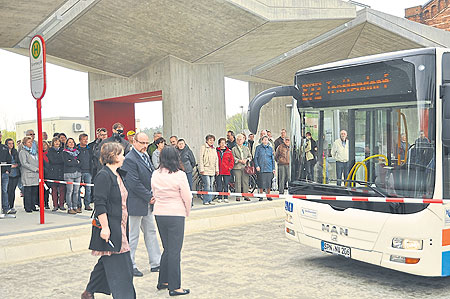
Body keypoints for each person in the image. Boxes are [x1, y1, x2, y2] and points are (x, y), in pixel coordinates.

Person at [82, 142, 136, 299]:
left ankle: (89, 291)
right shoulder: (103, 176)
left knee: (107, 261)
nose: (124, 156)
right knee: (123, 269)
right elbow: (100, 204)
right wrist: (105, 228)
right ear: (113, 156)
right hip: (112, 228)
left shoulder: (118, 174)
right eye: (121, 153)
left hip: (121, 226)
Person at [151, 146, 192, 296]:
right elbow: (187, 196)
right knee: (175, 251)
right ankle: (175, 286)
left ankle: (163, 281)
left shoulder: (155, 174)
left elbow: (154, 192)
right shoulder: (180, 174)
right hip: (175, 213)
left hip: (160, 213)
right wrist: (187, 211)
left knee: (167, 249)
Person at [121, 132, 161, 277]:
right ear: (134, 142)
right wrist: (148, 196)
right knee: (133, 236)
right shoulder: (130, 159)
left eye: (146, 143)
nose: (145, 146)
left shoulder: (145, 156)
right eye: (142, 143)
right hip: (135, 203)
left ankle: (156, 262)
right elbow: (132, 182)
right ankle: (129, 265)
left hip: (147, 204)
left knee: (151, 232)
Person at [19, 136, 39, 213]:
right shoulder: (22, 152)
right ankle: (27, 207)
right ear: (24, 143)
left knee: (34, 190)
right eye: (28, 142)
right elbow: (24, 163)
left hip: (35, 174)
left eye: (31, 142)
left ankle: (33, 205)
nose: (30, 144)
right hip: (28, 174)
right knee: (28, 191)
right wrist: (35, 168)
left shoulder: (34, 152)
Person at [63, 137, 82, 214]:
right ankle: (70, 207)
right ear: (67, 144)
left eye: (72, 142)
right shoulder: (64, 152)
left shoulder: (77, 152)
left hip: (78, 173)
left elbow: (81, 162)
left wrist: (74, 162)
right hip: (69, 173)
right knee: (69, 191)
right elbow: (67, 163)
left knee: (76, 191)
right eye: (69, 142)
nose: (71, 144)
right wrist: (75, 162)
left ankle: (75, 206)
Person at [199, 134, 219, 205]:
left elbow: (216, 159)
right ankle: (206, 200)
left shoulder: (214, 148)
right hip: (205, 169)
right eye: (210, 140)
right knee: (207, 185)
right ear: (207, 140)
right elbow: (201, 158)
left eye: (213, 140)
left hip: (212, 169)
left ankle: (210, 200)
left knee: (211, 185)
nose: (211, 141)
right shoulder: (203, 147)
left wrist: (217, 170)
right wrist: (202, 169)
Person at [232, 134, 252, 201]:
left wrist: (246, 160)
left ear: (243, 140)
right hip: (237, 167)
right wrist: (239, 160)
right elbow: (233, 158)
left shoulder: (246, 148)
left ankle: (246, 195)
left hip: (245, 167)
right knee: (237, 182)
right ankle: (238, 196)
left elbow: (250, 156)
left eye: (241, 139)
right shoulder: (234, 149)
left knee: (245, 181)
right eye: (238, 139)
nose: (239, 141)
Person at [48, 137, 66, 211]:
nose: (57, 143)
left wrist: (59, 160)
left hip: (61, 171)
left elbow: (63, 159)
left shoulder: (63, 151)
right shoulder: (50, 151)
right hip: (53, 172)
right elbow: (52, 160)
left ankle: (61, 204)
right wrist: (59, 160)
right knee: (54, 190)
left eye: (58, 142)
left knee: (62, 189)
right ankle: (55, 205)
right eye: (55, 142)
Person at [216, 138, 234, 203]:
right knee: (219, 184)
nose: (223, 144)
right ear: (219, 144)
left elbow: (232, 160)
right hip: (219, 170)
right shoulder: (216, 151)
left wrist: (229, 167)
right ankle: (219, 197)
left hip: (226, 171)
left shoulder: (229, 151)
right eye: (221, 143)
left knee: (226, 184)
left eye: (224, 142)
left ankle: (226, 197)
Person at [78, 133, 93, 211]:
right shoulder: (76, 149)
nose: (86, 141)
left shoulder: (89, 149)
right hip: (79, 171)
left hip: (88, 171)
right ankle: (78, 205)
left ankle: (87, 204)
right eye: (84, 139)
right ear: (80, 140)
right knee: (78, 189)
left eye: (86, 139)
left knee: (88, 189)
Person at [5, 138, 19, 213]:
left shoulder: (15, 152)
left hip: (15, 173)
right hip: (8, 173)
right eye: (9, 143)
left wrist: (15, 165)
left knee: (12, 190)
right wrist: (10, 166)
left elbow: (17, 162)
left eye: (12, 143)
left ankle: (12, 205)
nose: (11, 145)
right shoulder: (4, 152)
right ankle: (7, 205)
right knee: (7, 190)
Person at [0, 134, 12, 214]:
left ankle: (6, 208)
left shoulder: (4, 147)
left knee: (4, 190)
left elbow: (9, 159)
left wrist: (8, 170)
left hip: (4, 172)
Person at [42, 141, 51, 209]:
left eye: (45, 145)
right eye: (42, 145)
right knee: (45, 189)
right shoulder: (40, 154)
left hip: (51, 172)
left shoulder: (50, 153)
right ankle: (45, 203)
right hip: (44, 173)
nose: (44, 146)